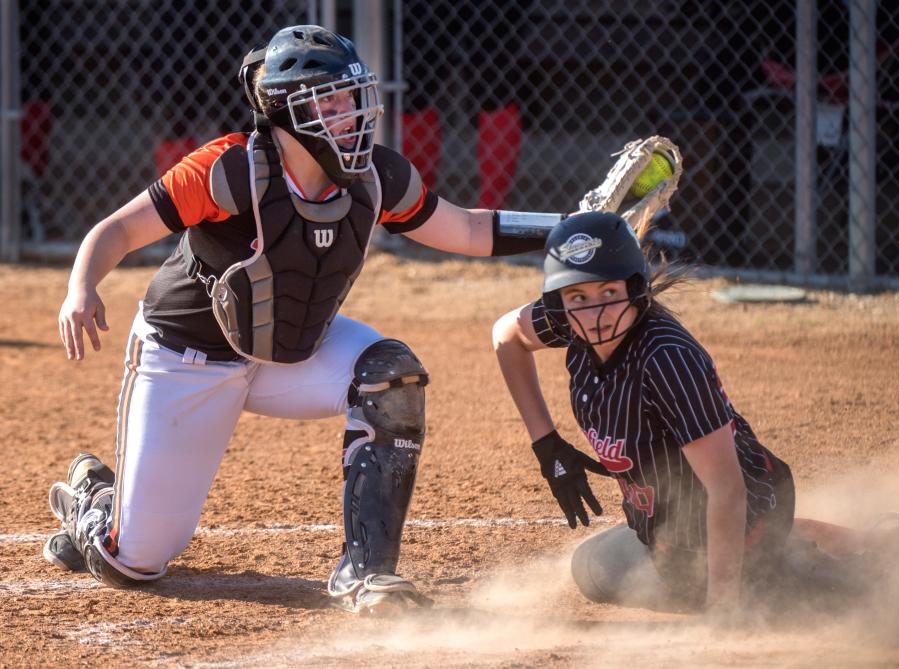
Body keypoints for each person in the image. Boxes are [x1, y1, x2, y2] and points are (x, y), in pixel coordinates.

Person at [44, 25, 560, 615]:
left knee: (390, 373)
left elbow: (467, 229)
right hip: (188, 356)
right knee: (134, 561)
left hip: (291, 351)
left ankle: (366, 574)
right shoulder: (228, 169)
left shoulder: (378, 175)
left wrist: (566, 225)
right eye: (331, 101)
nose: (351, 114)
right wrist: (81, 287)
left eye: (353, 98)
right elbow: (119, 229)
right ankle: (96, 496)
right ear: (287, 110)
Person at [491, 210, 899, 615]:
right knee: (593, 569)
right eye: (578, 296)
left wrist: (723, 607)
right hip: (671, 533)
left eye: (609, 293)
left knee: (840, 603)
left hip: (740, 518)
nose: (596, 312)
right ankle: (842, 542)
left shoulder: (666, 359)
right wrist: (546, 444)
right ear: (559, 303)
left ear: (636, 290)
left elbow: (726, 488)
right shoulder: (575, 322)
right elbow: (506, 335)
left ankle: (886, 552)